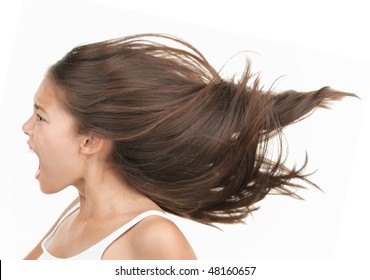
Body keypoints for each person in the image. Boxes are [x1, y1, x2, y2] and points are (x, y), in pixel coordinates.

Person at [22, 33, 356, 260]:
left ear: (90, 140)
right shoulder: (74, 213)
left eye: (40, 117)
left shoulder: (154, 238)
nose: (26, 127)